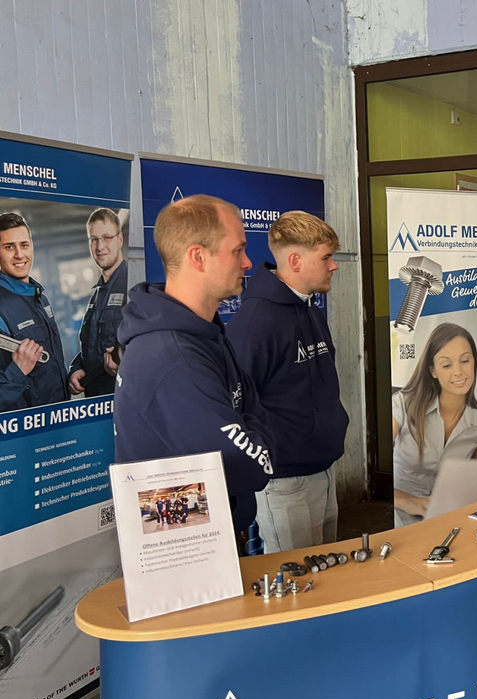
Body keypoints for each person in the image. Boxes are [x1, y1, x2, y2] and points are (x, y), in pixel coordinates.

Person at [114, 194, 276, 535]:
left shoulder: (205, 333)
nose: (248, 263)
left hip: (219, 536)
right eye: (237, 250)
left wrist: (250, 425)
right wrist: (253, 431)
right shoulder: (172, 357)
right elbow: (250, 464)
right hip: (187, 560)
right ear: (198, 257)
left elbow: (252, 407)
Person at [227, 211, 349, 553]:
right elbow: (236, 406)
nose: (334, 266)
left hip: (322, 469)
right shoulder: (255, 323)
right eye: (326, 257)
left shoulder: (310, 307)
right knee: (295, 587)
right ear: (295, 260)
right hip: (284, 483)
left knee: (326, 577)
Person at [392, 322, 477, 525]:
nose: (459, 372)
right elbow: (374, 481)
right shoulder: (402, 404)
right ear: (433, 370)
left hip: (452, 517)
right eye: (447, 365)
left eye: (465, 361)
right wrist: (411, 502)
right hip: (400, 515)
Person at [0, 212, 69, 411]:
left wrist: (68, 376)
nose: (19, 255)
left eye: (24, 245)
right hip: (26, 435)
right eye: (8, 247)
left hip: (59, 421)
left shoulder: (40, 297)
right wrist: (19, 371)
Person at [68, 208, 127, 397]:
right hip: (95, 402)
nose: (100, 246)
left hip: (121, 401)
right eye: (94, 239)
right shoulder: (97, 294)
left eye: (107, 237)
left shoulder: (133, 286)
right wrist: (76, 367)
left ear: (120, 240)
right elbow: (92, 345)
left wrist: (126, 363)